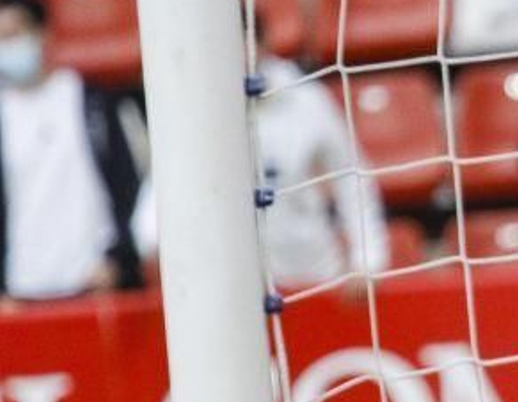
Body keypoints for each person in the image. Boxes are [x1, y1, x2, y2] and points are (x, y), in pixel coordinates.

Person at [135, 54, 390, 290]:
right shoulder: (194, 108)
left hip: (312, 277)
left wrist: (367, 260)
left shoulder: (304, 98)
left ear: (261, 43)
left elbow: (352, 177)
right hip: (229, 289)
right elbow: (159, 195)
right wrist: (155, 242)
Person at [0, 0, 143, 303]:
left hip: (94, 282)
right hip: (21, 290)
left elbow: (129, 183)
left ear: (42, 34)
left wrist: (119, 257)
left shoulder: (93, 103)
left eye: (12, 36)